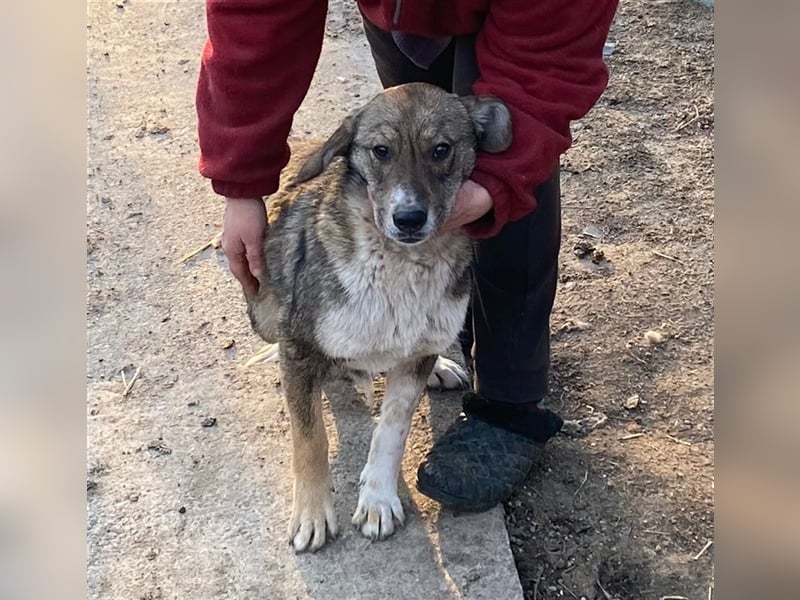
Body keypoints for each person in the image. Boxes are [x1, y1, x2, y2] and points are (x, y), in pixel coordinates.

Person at [196, 0, 619, 512]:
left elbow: (545, 64)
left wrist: (497, 183)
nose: (405, 203)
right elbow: (255, 14)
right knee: (412, 125)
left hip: (533, 16)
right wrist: (241, 182)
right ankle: (422, 335)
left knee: (503, 185)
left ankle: (508, 404)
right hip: (400, 15)